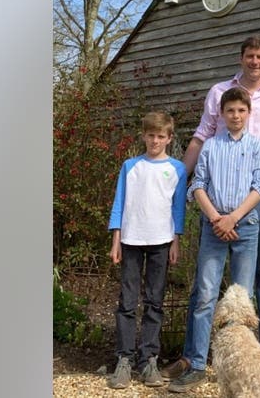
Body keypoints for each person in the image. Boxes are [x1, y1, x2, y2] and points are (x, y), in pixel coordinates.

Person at [163, 36, 260, 380]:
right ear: (241, 58)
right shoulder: (218, 93)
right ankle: (194, 359)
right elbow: (201, 141)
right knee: (205, 289)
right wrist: (177, 181)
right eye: (250, 56)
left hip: (257, 202)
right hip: (215, 208)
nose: (255, 61)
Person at [104, 111, 189, 390]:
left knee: (155, 302)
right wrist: (116, 239)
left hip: (161, 242)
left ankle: (148, 358)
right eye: (151, 135)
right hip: (130, 240)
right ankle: (124, 359)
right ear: (143, 136)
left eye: (161, 136)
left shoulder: (176, 168)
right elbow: (120, 203)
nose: (155, 140)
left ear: (169, 138)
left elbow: (178, 208)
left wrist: (176, 240)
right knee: (127, 302)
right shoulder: (131, 166)